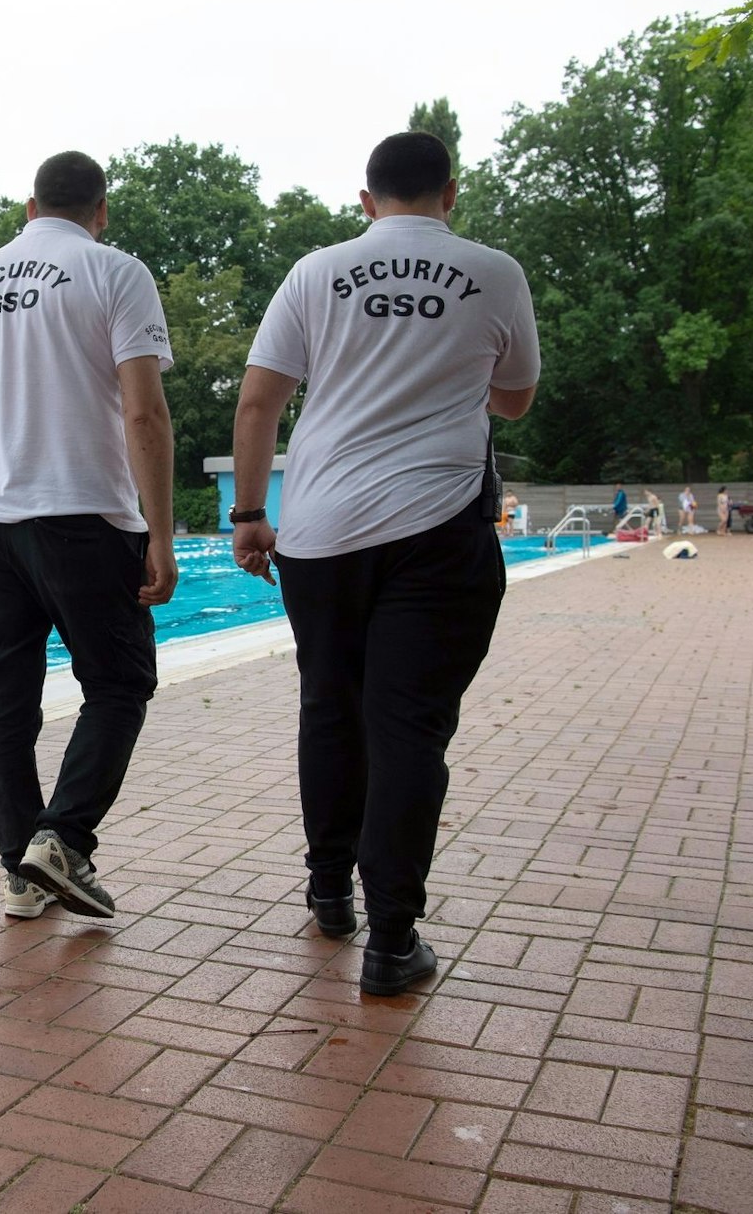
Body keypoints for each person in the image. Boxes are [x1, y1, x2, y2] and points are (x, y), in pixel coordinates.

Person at [230, 131, 539, 996]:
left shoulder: (316, 271)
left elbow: (260, 398)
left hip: (319, 531)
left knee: (330, 705)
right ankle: (392, 939)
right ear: (451, 193)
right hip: (436, 529)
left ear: (366, 202)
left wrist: (252, 512)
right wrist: (449, 369)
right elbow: (514, 398)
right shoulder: (494, 271)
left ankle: (330, 890)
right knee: (407, 724)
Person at [0, 149, 178, 923]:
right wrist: (161, 533)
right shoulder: (115, 272)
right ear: (100, 211)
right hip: (81, 514)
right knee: (119, 683)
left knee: (6, 702)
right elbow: (144, 413)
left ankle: (20, 873)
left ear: (29, 207)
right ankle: (60, 839)